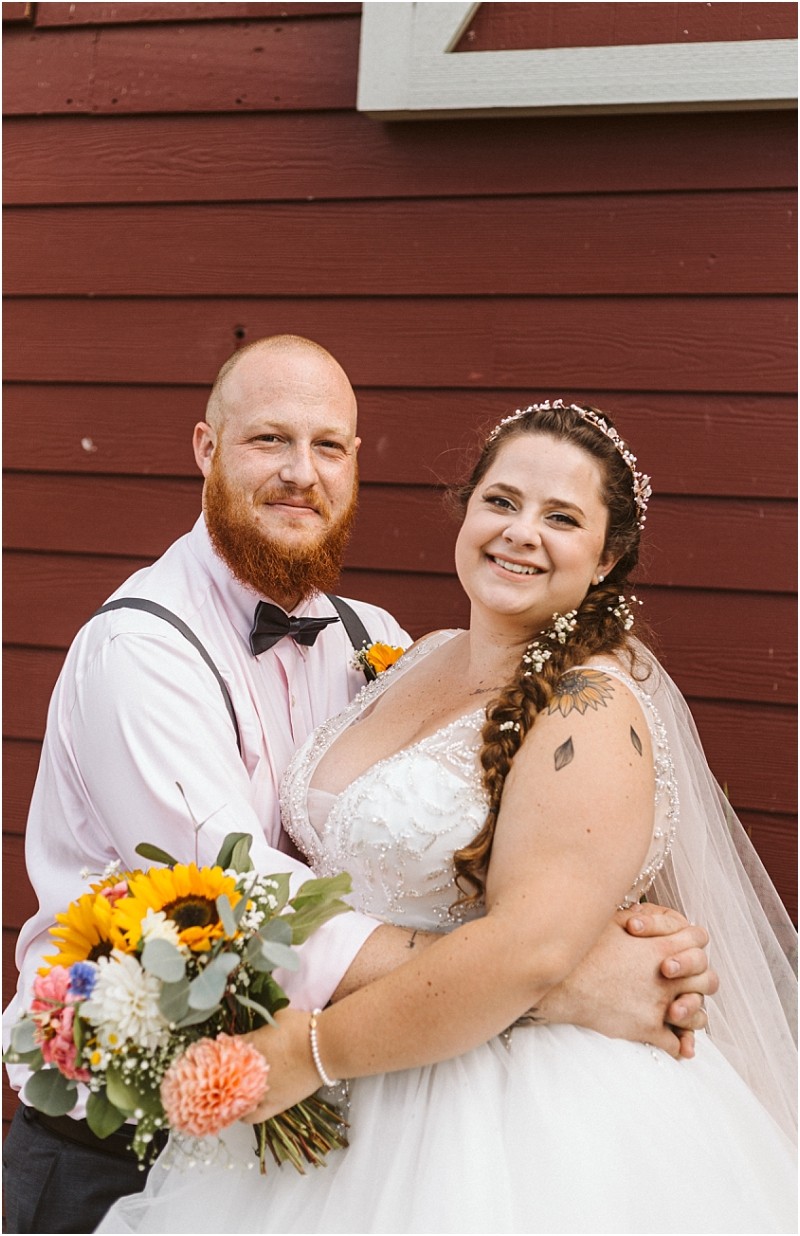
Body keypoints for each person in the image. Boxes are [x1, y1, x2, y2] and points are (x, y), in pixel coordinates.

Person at [3, 341, 713, 1234]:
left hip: (365, 1120)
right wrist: (550, 982)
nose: (303, 473)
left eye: (330, 446)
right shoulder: (138, 652)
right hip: (118, 1134)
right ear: (205, 447)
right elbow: (232, 892)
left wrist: (563, 938)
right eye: (269, 440)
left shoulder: (376, 641)